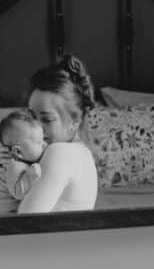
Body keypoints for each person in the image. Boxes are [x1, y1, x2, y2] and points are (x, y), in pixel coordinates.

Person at [17, 53, 98, 213]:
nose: (36, 128)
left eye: (47, 120)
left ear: (75, 122)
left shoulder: (60, 153)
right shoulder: (82, 153)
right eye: (31, 117)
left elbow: (24, 224)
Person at [0, 110, 47, 202]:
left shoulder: (21, 162)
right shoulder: (14, 166)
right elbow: (18, 193)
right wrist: (34, 171)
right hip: (7, 214)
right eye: (38, 142)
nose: (44, 144)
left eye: (43, 139)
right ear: (18, 151)